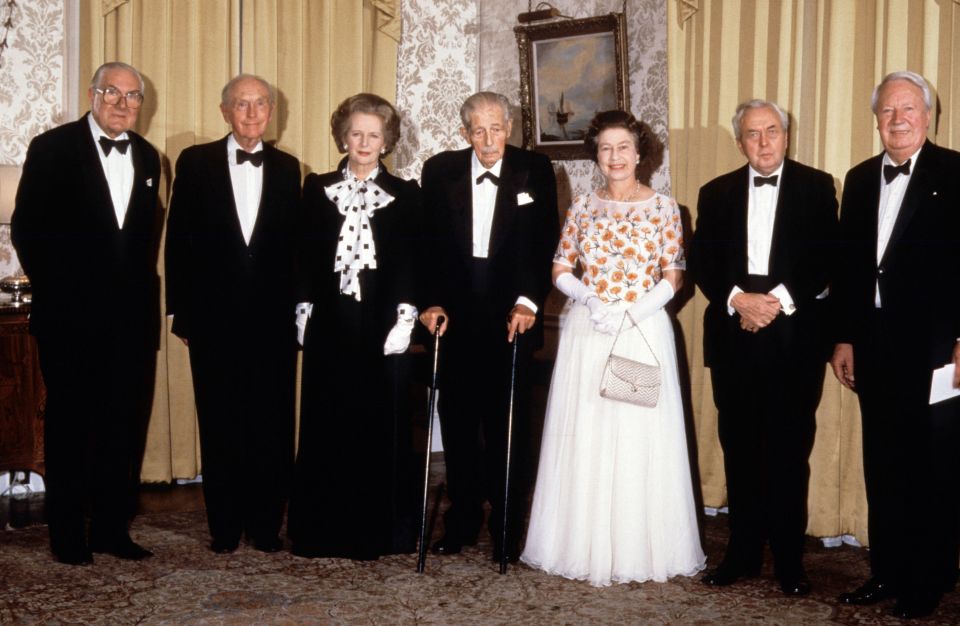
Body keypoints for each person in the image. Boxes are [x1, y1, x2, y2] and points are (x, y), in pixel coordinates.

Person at [520, 110, 705, 586]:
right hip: (590, 329)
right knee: (588, 433)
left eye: (624, 147)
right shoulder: (581, 206)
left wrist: (631, 311)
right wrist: (589, 299)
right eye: (606, 148)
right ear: (596, 155)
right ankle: (581, 543)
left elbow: (675, 275)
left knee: (637, 431)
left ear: (640, 152)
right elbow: (560, 268)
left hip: (641, 328)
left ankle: (639, 549)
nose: (615, 156)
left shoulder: (665, 207)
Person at [11, 61, 161, 565]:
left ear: (142, 103)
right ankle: (68, 535)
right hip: (70, 319)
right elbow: (27, 229)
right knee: (72, 425)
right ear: (92, 94)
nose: (122, 103)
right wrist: (65, 295)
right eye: (112, 92)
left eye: (132, 95)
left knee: (123, 425)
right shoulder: (52, 148)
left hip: (131, 323)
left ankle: (112, 530)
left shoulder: (148, 157)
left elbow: (141, 242)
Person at [689, 99, 838, 596]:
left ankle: (790, 562)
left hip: (794, 337)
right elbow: (703, 260)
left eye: (772, 131)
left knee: (790, 450)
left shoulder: (818, 186)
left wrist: (773, 304)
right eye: (752, 134)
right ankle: (743, 552)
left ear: (786, 135)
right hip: (733, 338)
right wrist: (738, 300)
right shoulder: (715, 192)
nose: (763, 142)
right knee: (740, 448)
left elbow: (825, 256)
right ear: (739, 142)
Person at [830, 71, 960, 620]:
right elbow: (849, 267)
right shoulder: (859, 179)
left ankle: (928, 580)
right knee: (882, 463)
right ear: (876, 119)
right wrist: (842, 336)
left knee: (931, 465)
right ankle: (886, 571)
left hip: (935, 349)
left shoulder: (956, 172)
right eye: (887, 110)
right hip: (874, 345)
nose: (898, 119)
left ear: (928, 116)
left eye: (908, 109)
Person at [165, 74, 300, 554]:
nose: (250, 113)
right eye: (240, 104)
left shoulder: (289, 169)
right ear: (225, 111)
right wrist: (180, 312)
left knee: (270, 425)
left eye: (259, 104)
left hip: (273, 323)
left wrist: (300, 314)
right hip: (212, 320)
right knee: (221, 423)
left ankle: (265, 526)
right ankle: (223, 526)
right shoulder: (195, 162)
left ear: (271, 111)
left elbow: (295, 252)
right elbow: (177, 238)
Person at [419, 91, 558, 562]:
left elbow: (544, 245)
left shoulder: (535, 169)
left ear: (510, 129)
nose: (488, 138)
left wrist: (527, 304)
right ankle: (460, 521)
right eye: (477, 129)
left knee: (508, 428)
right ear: (465, 133)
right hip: (455, 319)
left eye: (496, 128)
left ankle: (505, 526)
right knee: (457, 426)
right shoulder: (439, 170)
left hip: (511, 319)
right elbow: (429, 246)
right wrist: (431, 301)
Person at [287, 93, 421, 560]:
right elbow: (304, 253)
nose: (364, 142)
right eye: (356, 134)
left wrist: (406, 317)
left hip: (384, 323)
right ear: (344, 138)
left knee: (378, 424)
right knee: (329, 420)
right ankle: (322, 533)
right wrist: (302, 307)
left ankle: (378, 535)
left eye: (374, 135)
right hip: (329, 320)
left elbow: (409, 261)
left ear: (387, 142)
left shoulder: (406, 194)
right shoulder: (316, 187)